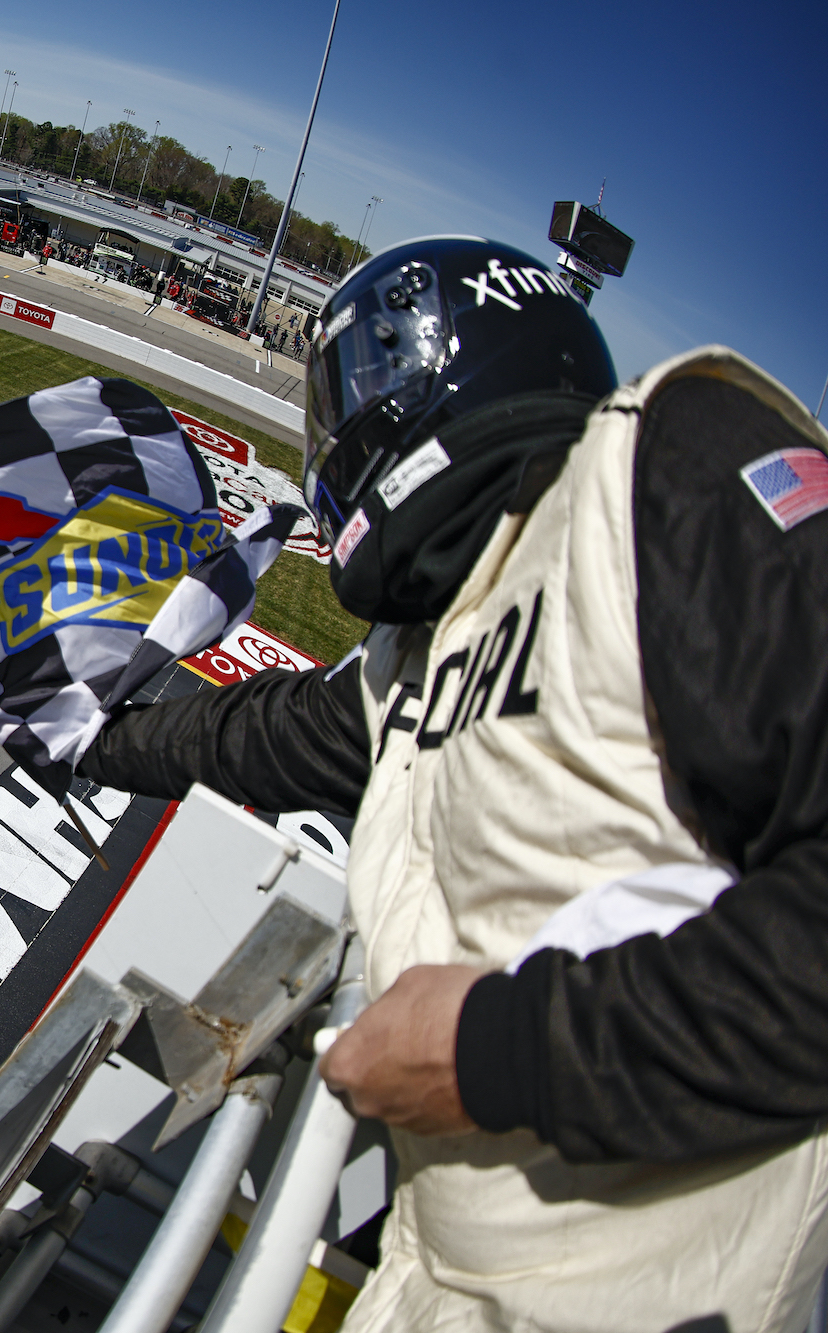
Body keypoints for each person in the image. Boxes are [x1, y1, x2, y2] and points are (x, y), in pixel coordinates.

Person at [78, 235, 828, 1330]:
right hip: (432, 1282)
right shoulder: (422, 645)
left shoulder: (662, 468)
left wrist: (492, 1049)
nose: (333, 437)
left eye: (355, 387)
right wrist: (97, 744)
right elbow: (265, 734)